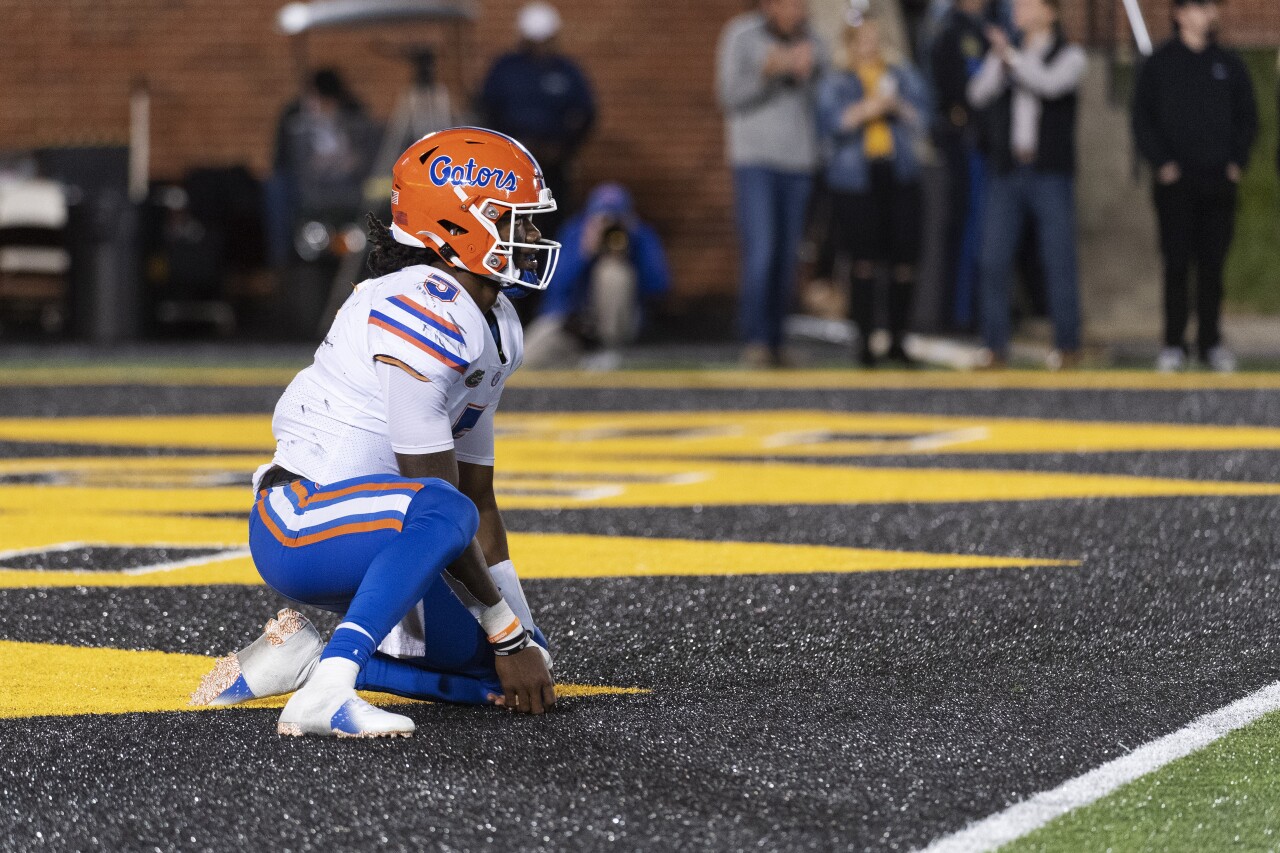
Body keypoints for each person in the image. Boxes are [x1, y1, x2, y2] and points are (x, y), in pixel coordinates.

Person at [190, 127, 561, 737]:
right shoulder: (420, 303)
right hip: (300, 520)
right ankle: (326, 694)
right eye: (511, 218)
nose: (533, 235)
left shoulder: (495, 322)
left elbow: (480, 496)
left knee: (505, 675)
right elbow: (439, 499)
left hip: (385, 529)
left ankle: (307, 662)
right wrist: (505, 631)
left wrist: (522, 635)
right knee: (449, 519)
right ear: (457, 223)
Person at [1132, 0, 1258, 373]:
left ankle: (1210, 342)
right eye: (1201, 7)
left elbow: (1247, 117)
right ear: (1181, 14)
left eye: (1210, 7)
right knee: (1176, 264)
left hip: (1217, 180)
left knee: (1212, 267)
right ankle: (1173, 343)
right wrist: (1161, 163)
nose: (1209, 14)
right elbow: (1142, 117)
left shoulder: (1228, 63)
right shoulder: (1160, 63)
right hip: (1176, 183)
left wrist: (1235, 162)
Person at [967, 0, 1085, 369]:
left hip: (1048, 170)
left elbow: (1050, 85)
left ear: (1050, 12)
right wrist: (1000, 61)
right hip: (1008, 169)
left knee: (1057, 258)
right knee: (993, 258)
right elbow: (977, 93)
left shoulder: (1071, 54)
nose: (1019, 7)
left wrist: (1014, 59)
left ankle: (1067, 345)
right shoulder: (1006, 52)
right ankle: (994, 346)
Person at [716, 0, 827, 368]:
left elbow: (824, 100)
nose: (800, 11)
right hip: (756, 161)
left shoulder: (813, 40)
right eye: (793, 4)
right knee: (761, 251)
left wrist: (810, 71)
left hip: (799, 161)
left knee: (788, 256)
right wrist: (768, 72)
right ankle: (756, 340)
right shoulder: (741, 35)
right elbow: (728, 95)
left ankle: (778, 341)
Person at [816, 12, 930, 366]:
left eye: (874, 39)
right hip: (855, 179)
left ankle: (898, 340)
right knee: (863, 260)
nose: (870, 46)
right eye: (863, 39)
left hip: (898, 173)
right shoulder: (837, 80)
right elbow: (829, 125)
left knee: (903, 260)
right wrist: (866, 110)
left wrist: (897, 106)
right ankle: (865, 342)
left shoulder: (901, 75)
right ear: (849, 44)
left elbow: (925, 118)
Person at [478, 2, 596, 239]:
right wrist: (504, 147)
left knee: (552, 223)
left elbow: (587, 113)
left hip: (553, 166)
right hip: (509, 166)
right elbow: (486, 109)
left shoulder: (566, 70)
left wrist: (565, 148)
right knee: (510, 221)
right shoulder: (506, 69)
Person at [523, 182, 670, 369]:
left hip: (615, 328)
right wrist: (584, 253)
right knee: (524, 360)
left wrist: (632, 250)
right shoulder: (575, 232)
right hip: (569, 323)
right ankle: (578, 362)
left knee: (613, 273)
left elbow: (659, 286)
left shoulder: (640, 235)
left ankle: (609, 351)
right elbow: (554, 288)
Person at [929, 0, 989, 332]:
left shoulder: (986, 28)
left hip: (983, 144)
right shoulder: (952, 32)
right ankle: (959, 314)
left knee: (982, 230)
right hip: (965, 142)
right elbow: (952, 91)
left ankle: (973, 311)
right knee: (967, 226)